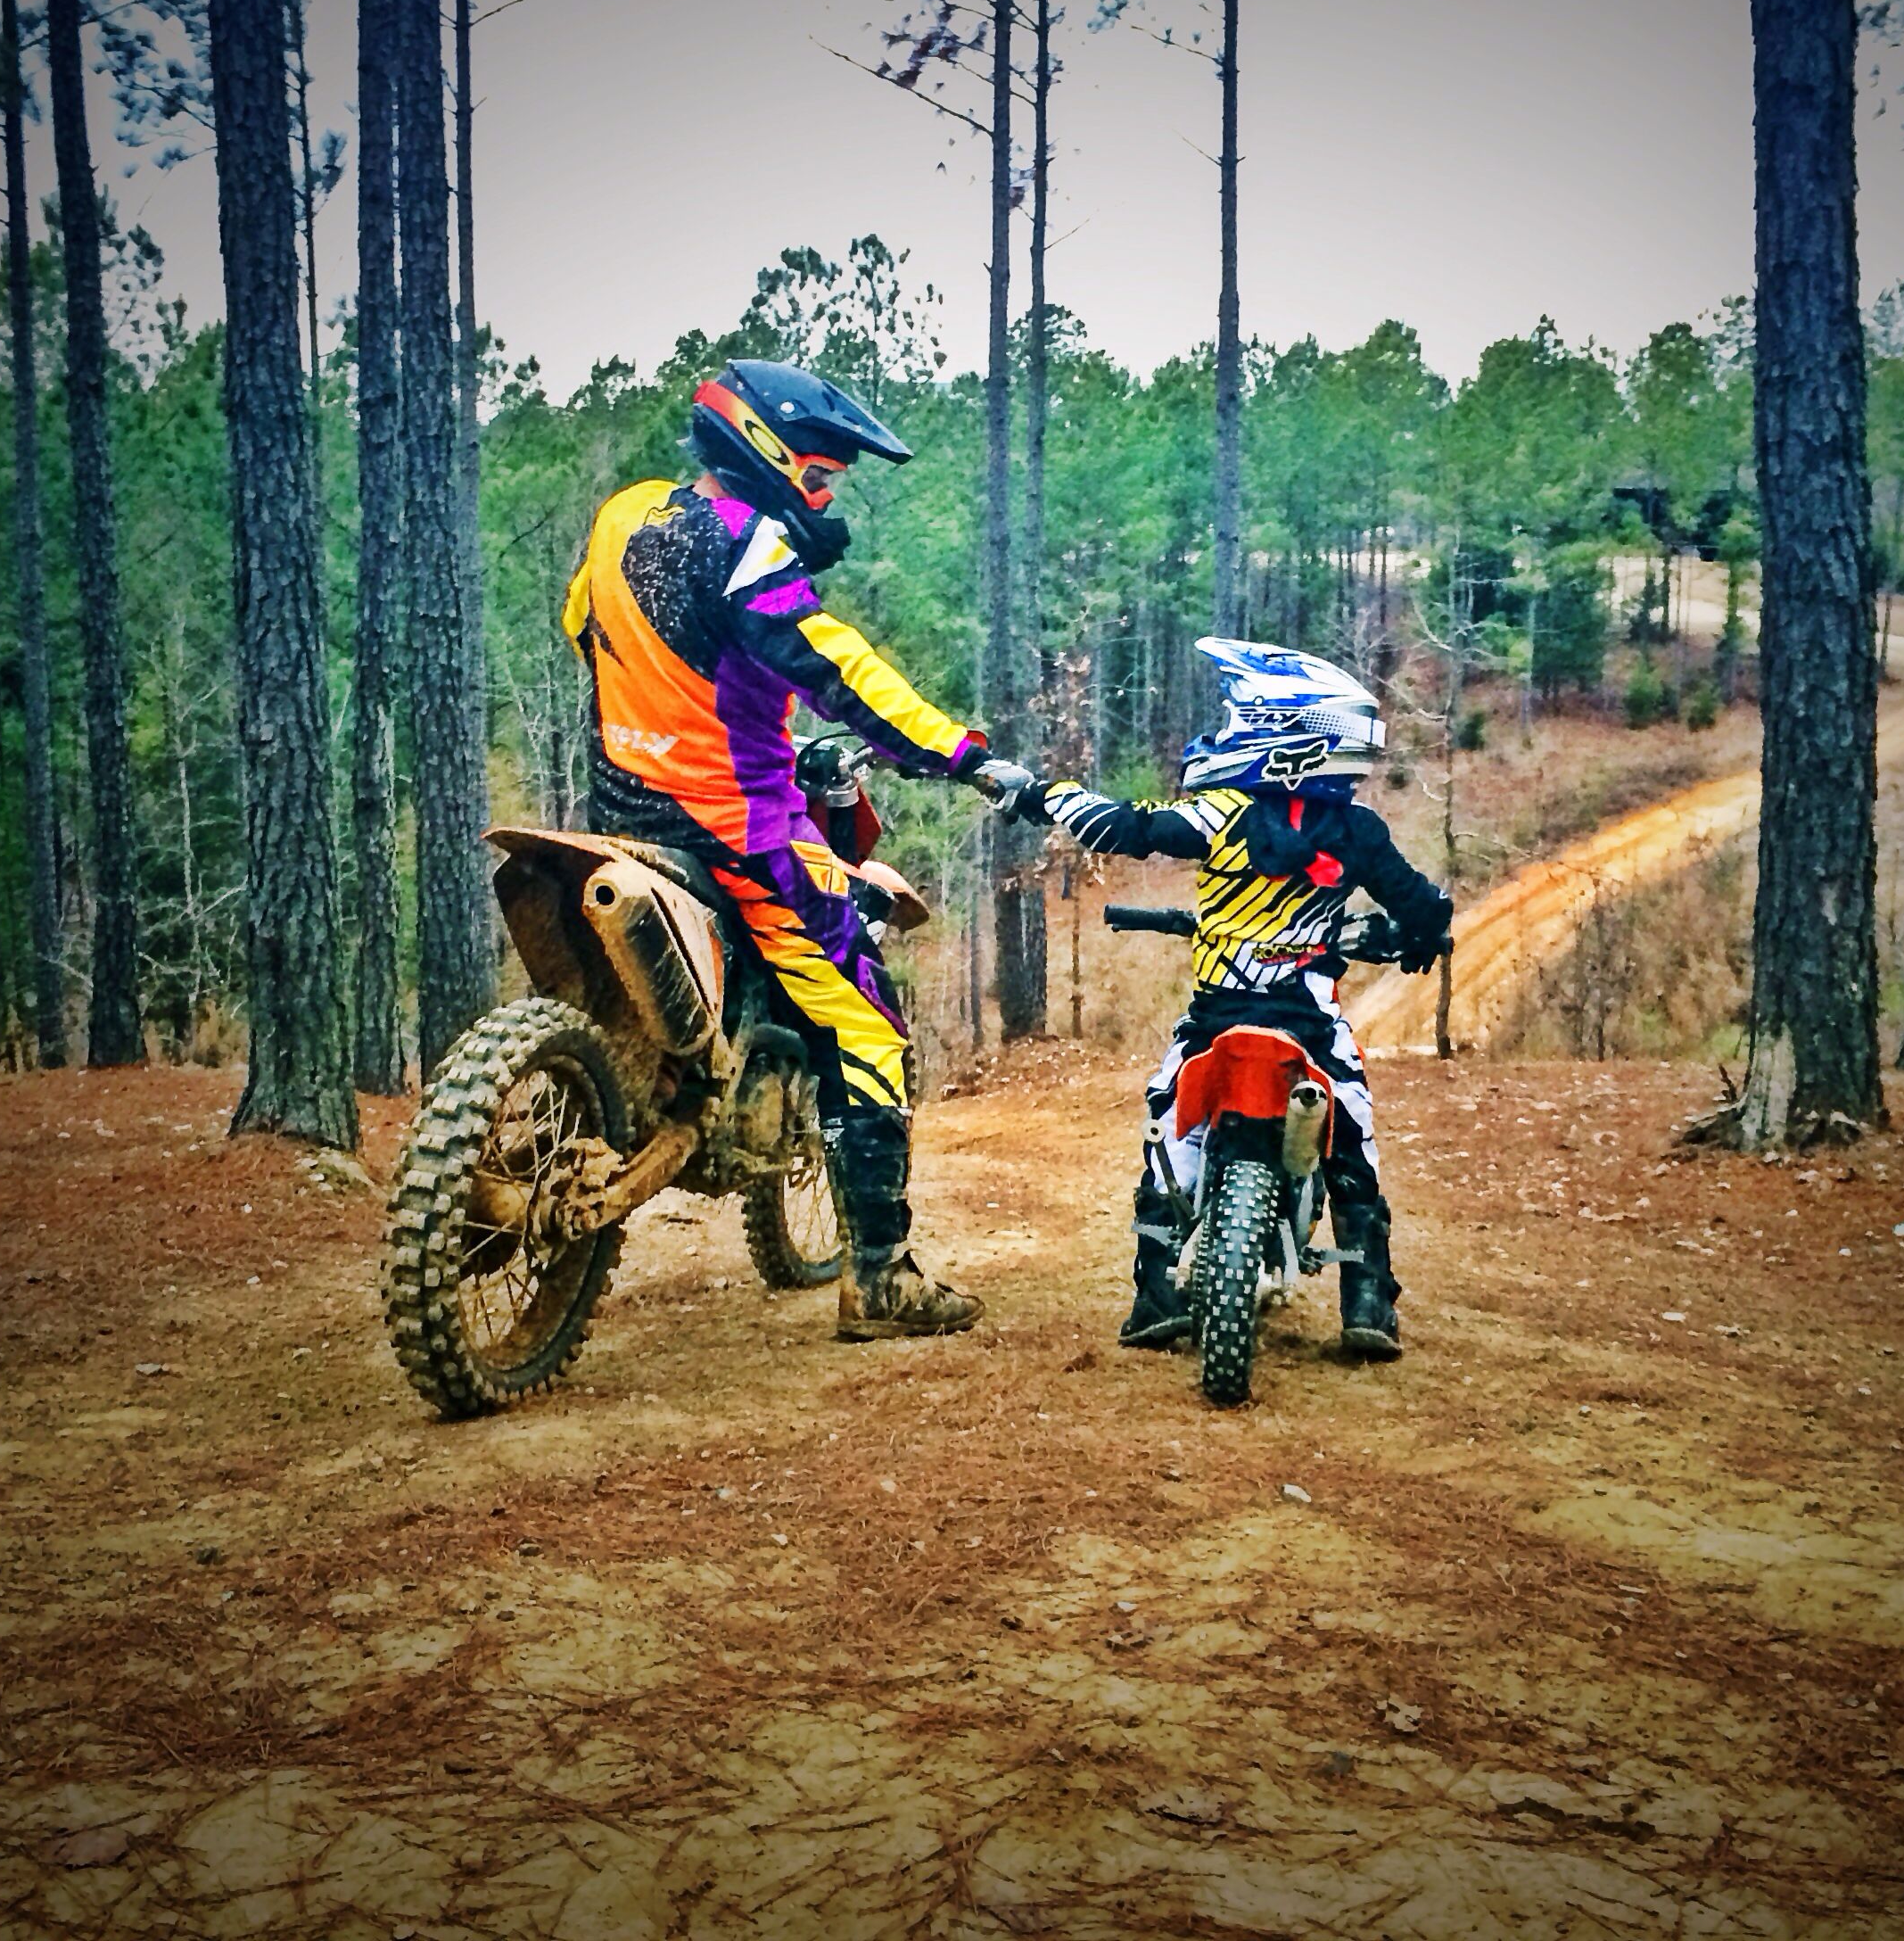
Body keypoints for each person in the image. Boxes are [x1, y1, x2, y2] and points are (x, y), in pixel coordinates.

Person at [561, 358, 1035, 1339]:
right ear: (765, 453)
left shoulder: (624, 517)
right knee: (869, 1026)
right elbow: (835, 665)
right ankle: (882, 1277)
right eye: (817, 477)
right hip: (739, 831)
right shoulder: (745, 543)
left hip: (618, 813)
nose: (823, 499)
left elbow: (582, 627)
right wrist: (963, 753)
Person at [1001, 640, 1450, 1358]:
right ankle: (1367, 1297)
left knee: (1168, 1126)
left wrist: (1040, 794)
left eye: (1242, 720)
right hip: (1308, 1021)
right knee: (1352, 1129)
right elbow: (1422, 905)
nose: (1226, 732)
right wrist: (1421, 937)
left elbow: (1125, 826)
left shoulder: (1219, 813)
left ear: (1286, 739)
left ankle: (1153, 1290)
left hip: (1218, 1016)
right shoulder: (1358, 833)